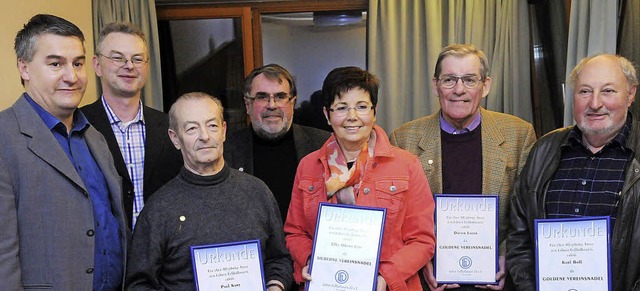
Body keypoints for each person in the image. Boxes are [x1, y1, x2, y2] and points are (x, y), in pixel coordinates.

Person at [389, 44, 536, 290]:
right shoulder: (404, 139)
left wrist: (507, 255)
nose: (459, 90)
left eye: (469, 80)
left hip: (495, 278)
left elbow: (525, 212)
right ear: (436, 85)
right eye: (449, 80)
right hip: (431, 279)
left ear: (485, 85)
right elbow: (399, 220)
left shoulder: (518, 134)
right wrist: (420, 259)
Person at [0, 14, 127, 290]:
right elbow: (2, 256)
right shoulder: (4, 137)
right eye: (56, 63)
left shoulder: (94, 137)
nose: (72, 77)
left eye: (78, 63)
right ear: (24, 68)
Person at [284, 67, 436, 290]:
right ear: (327, 115)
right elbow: (295, 232)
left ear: (374, 112)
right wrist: (310, 260)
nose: (352, 117)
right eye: (342, 108)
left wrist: (386, 277)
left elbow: (422, 241)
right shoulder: (308, 166)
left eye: (362, 107)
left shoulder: (407, 165)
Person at [126, 92, 293, 290]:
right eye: (191, 129)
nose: (204, 136)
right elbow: (139, 283)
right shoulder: (159, 208)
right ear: (175, 138)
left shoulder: (257, 192)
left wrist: (275, 287)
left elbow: (279, 259)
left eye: (212, 125)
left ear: (223, 131)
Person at [507, 54, 640, 291]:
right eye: (585, 91)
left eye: (608, 91)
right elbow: (519, 237)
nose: (595, 103)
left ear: (630, 94)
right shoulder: (544, 150)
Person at [81, 21, 182, 230]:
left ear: (146, 66)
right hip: (104, 255)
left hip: (163, 254)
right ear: (97, 65)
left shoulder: (170, 127)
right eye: (117, 58)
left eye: (137, 59)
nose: (129, 66)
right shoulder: (78, 126)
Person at [224, 64, 331, 222]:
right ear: (248, 105)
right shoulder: (225, 150)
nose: (272, 105)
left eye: (280, 96)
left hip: (307, 243)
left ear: (292, 103)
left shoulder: (324, 144)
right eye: (262, 97)